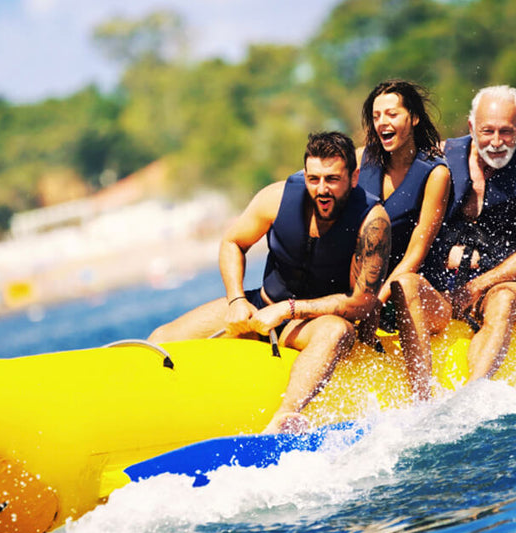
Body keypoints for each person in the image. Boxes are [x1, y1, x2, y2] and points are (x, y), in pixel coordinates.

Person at [148, 131, 391, 433]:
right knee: (162, 338)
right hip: (259, 306)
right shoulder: (276, 198)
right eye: (314, 179)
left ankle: (284, 418)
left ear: (353, 178)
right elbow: (233, 242)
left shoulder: (372, 220)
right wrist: (237, 300)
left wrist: (288, 309)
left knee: (337, 331)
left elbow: (362, 302)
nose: (322, 189)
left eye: (332, 179)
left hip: (312, 322)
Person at [391, 85, 516, 390]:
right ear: (471, 127)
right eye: (487, 131)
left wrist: (479, 285)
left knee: (504, 300)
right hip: (443, 293)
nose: (496, 142)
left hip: (499, 288)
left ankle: (472, 395)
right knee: (407, 285)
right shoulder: (435, 160)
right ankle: (421, 398)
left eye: (506, 132)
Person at [356, 79, 451, 399]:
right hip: (366, 293)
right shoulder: (361, 161)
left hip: (419, 292)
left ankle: (422, 399)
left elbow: (416, 253)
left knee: (405, 283)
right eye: (377, 115)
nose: (383, 122)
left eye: (392, 114)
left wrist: (374, 300)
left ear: (413, 118)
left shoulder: (435, 173)